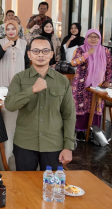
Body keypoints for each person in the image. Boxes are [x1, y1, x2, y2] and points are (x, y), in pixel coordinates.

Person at [5, 36, 76, 171]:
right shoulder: (19, 78)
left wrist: (68, 146)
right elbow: (10, 105)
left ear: (51, 54)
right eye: (36, 51)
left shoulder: (62, 81)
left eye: (45, 51)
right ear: (29, 54)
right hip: (25, 143)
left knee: (52, 183)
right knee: (25, 183)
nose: (41, 55)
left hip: (53, 144)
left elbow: (69, 115)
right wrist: (32, 90)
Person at [71, 29, 112, 135]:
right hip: (81, 85)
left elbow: (110, 67)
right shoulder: (80, 49)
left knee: (96, 107)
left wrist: (108, 81)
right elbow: (74, 63)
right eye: (90, 36)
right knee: (80, 107)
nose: (93, 39)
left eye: (96, 37)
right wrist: (87, 54)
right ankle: (79, 132)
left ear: (100, 38)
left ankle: (94, 132)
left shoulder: (105, 51)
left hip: (98, 86)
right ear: (86, 38)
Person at [0, 21, 27, 87]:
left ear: (17, 30)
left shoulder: (23, 43)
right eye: (8, 29)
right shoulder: (0, 42)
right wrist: (4, 47)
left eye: (13, 29)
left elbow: (26, 61)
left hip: (19, 73)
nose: (10, 31)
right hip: (3, 74)